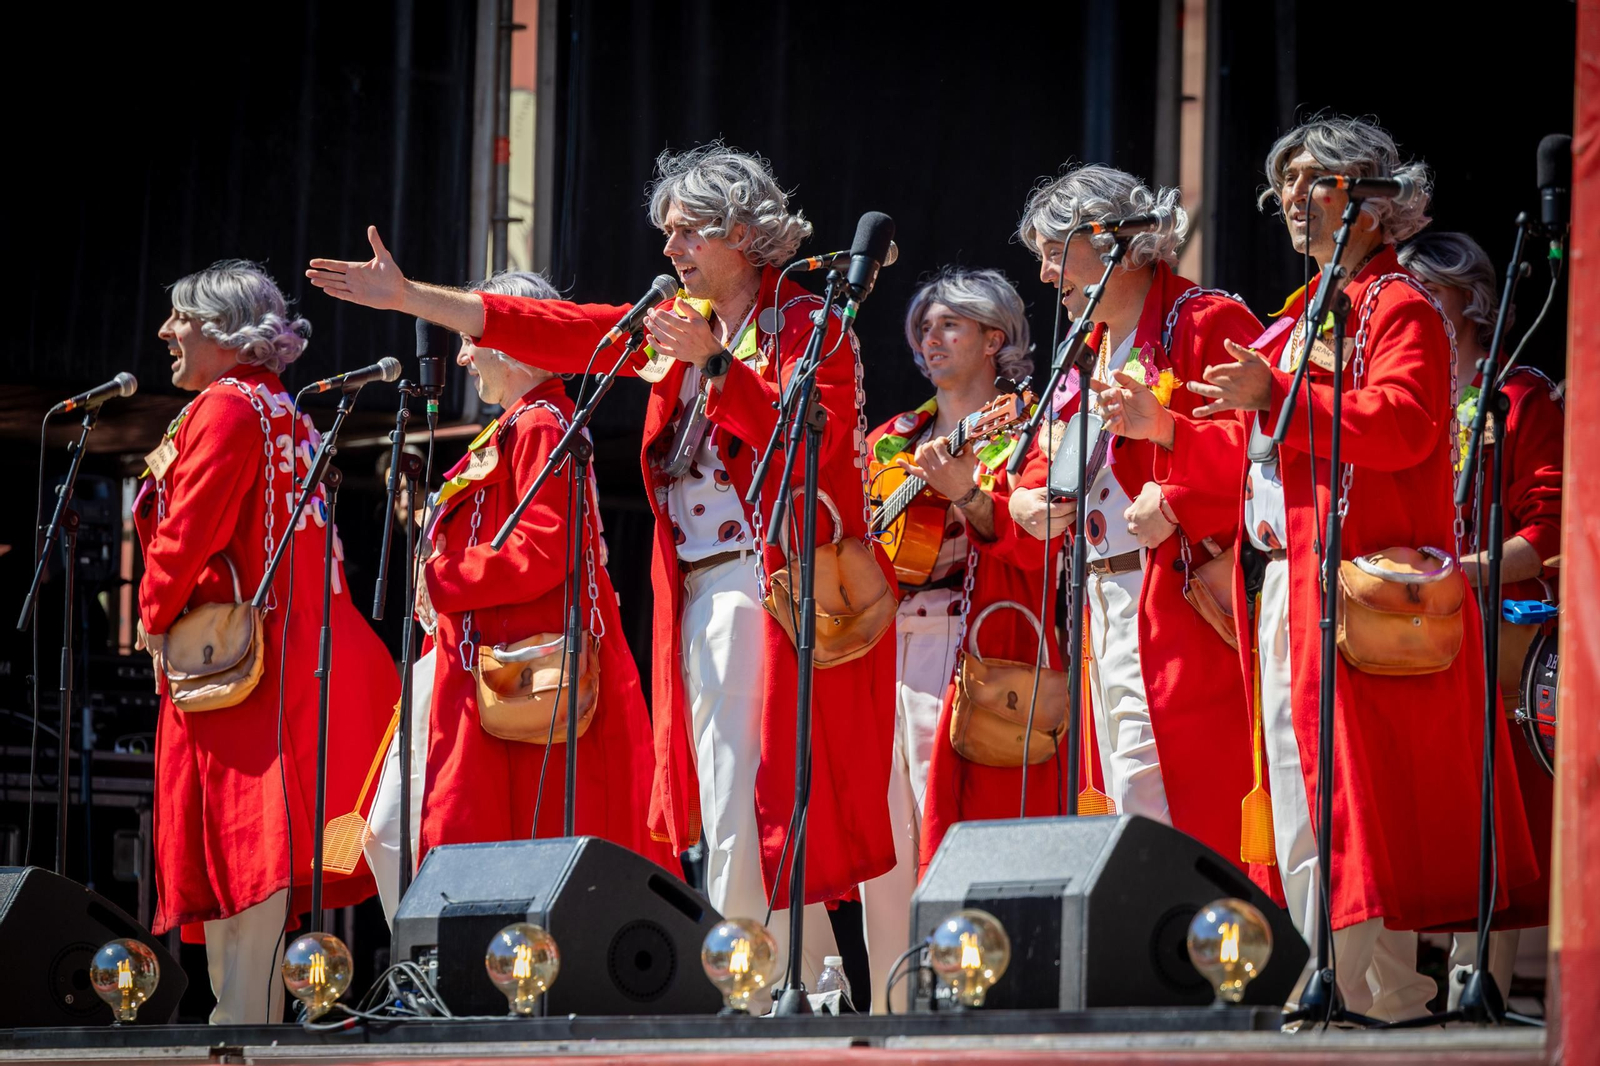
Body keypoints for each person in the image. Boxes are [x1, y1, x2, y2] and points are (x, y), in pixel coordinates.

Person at [308, 144, 896, 986]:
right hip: (696, 591)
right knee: (724, 802)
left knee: (742, 799)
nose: (670, 252)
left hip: (761, 587)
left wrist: (714, 363)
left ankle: (752, 986)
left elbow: (819, 445)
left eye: (686, 232)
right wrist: (413, 299)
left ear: (741, 232)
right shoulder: (675, 328)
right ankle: (805, 981)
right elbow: (560, 330)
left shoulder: (810, 325)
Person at [1096, 116, 1540, 1021]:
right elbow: (1244, 440)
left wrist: (1284, 398)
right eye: (1286, 184)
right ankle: (1338, 979)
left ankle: (1375, 988)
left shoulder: (1401, 303)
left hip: (1350, 585)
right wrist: (1167, 428)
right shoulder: (1304, 313)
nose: (1294, 199)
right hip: (1287, 582)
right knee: (1301, 794)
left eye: (1316, 181)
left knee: (1347, 792)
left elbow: (1408, 425)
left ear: (1373, 197)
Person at [135, 260, 397, 1023]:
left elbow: (188, 536)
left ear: (222, 332)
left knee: (244, 846)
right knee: (267, 850)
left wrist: (152, 616)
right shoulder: (284, 410)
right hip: (312, 646)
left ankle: (242, 1026)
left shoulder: (226, 408)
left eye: (181, 318)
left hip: (251, 662)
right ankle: (250, 1018)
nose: (166, 333)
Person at [1005, 164, 1260, 866]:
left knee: (1174, 791)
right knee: (1122, 790)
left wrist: (1177, 493)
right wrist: (1026, 496)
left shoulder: (1207, 319)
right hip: (1101, 599)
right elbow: (1048, 453)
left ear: (1112, 241)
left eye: (1056, 252)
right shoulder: (1085, 348)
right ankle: (1151, 963)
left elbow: (1261, 450)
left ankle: (1205, 958)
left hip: (1174, 598)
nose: (1046, 273)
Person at [412, 269, 665, 862]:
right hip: (494, 655)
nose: (465, 354)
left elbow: (544, 550)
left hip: (525, 661)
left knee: (457, 841)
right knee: (406, 831)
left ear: (511, 340)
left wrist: (440, 579)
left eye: (473, 336)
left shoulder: (543, 423)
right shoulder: (524, 420)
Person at [860, 267, 1033, 1011]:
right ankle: (889, 1001)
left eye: (949, 326)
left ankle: (962, 993)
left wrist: (967, 492)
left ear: (996, 339)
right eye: (923, 329)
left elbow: (1021, 538)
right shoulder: (893, 436)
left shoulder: (1020, 426)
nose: (930, 339)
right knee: (882, 831)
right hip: (880, 642)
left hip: (966, 636)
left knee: (948, 817)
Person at [1399, 231, 1564, 1007]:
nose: (1418, 303)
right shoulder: (1410, 396)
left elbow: (1552, 529)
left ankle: (1483, 991)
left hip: (1498, 635)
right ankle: (1415, 985)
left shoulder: (1519, 394)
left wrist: (1462, 574)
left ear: (1472, 300)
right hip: (1413, 632)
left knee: (1497, 811)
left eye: (1432, 289)